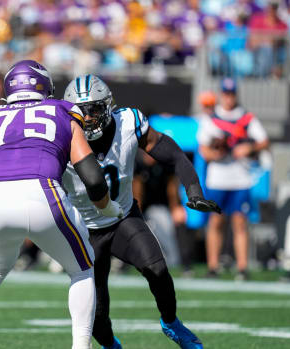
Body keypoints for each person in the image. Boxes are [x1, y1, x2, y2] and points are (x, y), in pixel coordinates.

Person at [0, 60, 123, 349]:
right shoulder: (62, 111)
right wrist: (107, 208)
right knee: (82, 268)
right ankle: (80, 345)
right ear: (45, 87)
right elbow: (94, 179)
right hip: (42, 192)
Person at [62, 74, 220, 349]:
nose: (87, 119)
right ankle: (111, 345)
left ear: (109, 105)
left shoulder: (128, 122)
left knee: (157, 269)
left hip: (123, 217)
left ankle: (171, 322)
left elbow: (173, 154)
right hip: (84, 229)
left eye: (94, 109)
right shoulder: (60, 137)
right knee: (97, 312)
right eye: (81, 112)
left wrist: (193, 189)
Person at [198, 78, 269, 281]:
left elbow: (263, 141)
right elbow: (204, 150)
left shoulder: (246, 118)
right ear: (221, 94)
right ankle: (213, 266)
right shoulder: (211, 119)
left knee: (239, 221)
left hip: (240, 178)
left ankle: (242, 267)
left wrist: (248, 148)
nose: (229, 98)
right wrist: (218, 153)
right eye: (226, 93)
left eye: (232, 94)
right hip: (218, 179)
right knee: (216, 221)